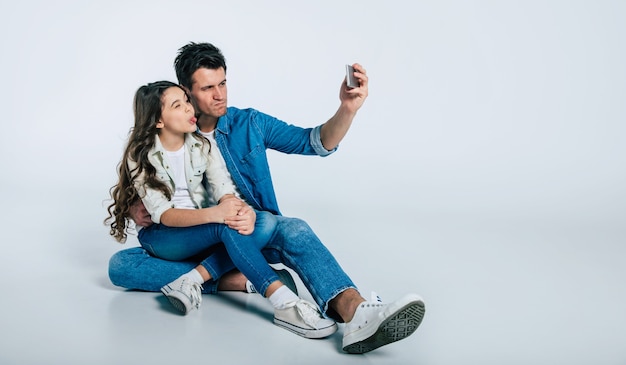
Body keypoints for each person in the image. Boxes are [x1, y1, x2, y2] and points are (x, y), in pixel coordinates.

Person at [108, 42, 426, 354]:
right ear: (185, 91)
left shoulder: (250, 123)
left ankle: (356, 313)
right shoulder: (169, 129)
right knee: (121, 265)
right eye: (208, 88)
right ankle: (238, 278)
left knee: (284, 225)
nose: (220, 95)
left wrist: (347, 109)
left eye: (223, 83)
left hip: (250, 230)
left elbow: (313, 141)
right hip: (193, 236)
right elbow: (144, 176)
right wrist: (137, 205)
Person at [105, 81, 336, 339]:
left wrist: (234, 208)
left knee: (264, 222)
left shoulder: (202, 144)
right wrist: (216, 215)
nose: (188, 108)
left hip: (204, 234)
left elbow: (222, 186)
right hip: (164, 235)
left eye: (186, 101)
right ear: (158, 121)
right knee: (119, 266)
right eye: (177, 105)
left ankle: (194, 279)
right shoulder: (140, 155)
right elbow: (164, 215)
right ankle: (281, 300)